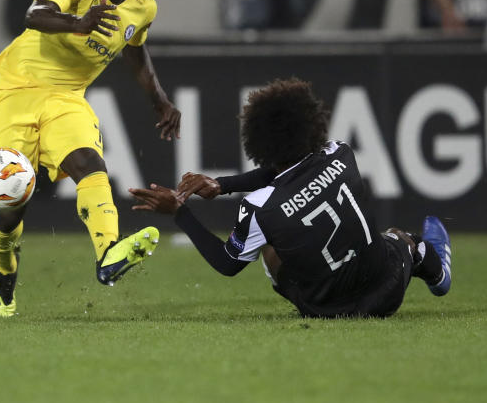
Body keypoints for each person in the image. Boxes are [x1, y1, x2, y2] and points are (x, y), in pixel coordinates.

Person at [0, 0, 181, 317]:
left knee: (89, 163)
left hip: (66, 99)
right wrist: (79, 22)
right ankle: (4, 270)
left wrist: (159, 100)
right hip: (15, 90)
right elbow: (35, 14)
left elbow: (135, 52)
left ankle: (108, 252)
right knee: (11, 202)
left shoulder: (144, 7)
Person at [130, 78, 452, 319]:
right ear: (312, 123)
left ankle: (418, 255)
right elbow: (290, 169)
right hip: (386, 294)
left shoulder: (258, 206)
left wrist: (180, 212)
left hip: (324, 310)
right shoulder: (341, 153)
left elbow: (228, 264)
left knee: (270, 249)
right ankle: (432, 265)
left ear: (258, 144)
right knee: (399, 238)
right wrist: (221, 184)